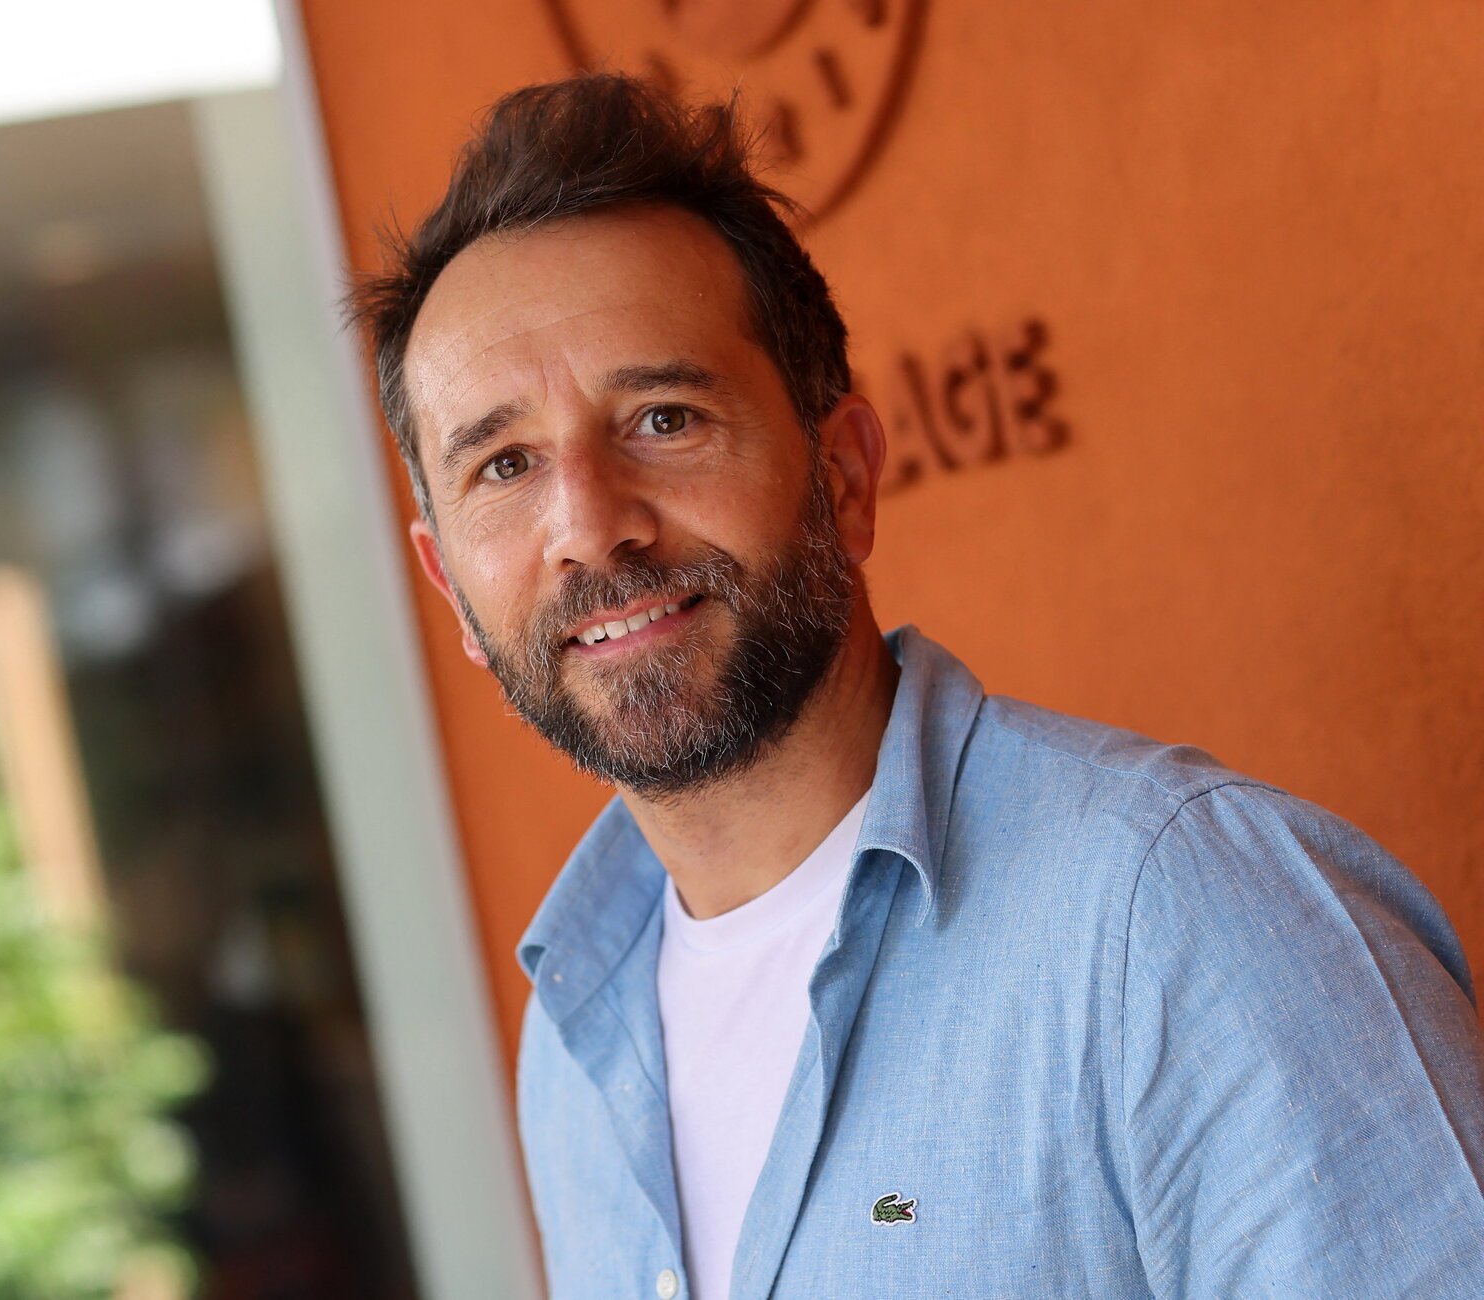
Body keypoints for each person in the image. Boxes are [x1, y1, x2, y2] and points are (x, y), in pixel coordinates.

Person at [347, 73, 1484, 1298]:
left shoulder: (1183, 922)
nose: (587, 524)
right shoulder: (574, 1042)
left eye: (663, 418)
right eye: (503, 466)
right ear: (449, 586)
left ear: (840, 475)